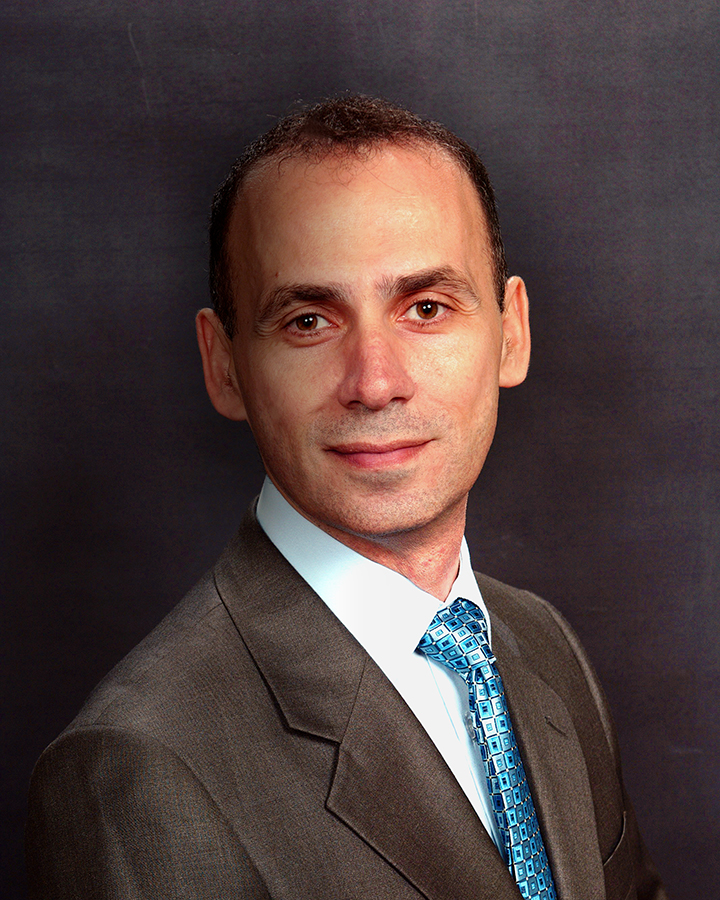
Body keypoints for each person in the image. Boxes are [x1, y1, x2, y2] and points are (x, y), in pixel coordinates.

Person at [26, 96, 667, 900]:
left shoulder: (541, 644)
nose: (375, 382)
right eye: (308, 321)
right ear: (224, 366)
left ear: (512, 332)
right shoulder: (136, 769)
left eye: (426, 308)